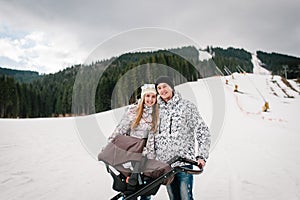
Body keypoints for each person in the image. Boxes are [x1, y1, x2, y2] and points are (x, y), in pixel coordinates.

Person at [154, 76, 211, 200]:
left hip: (184, 164)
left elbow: (202, 131)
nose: (162, 90)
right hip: (166, 165)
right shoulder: (156, 110)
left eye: (164, 86)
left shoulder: (187, 107)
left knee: (185, 197)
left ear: (171, 87)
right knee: (173, 198)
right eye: (159, 88)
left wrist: (201, 156)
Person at [107, 83, 158, 200]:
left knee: (145, 191)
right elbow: (119, 131)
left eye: (153, 96)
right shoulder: (132, 111)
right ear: (143, 96)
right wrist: (109, 146)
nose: (150, 99)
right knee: (130, 190)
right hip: (131, 156)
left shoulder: (157, 114)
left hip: (146, 159)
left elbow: (152, 140)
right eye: (147, 96)